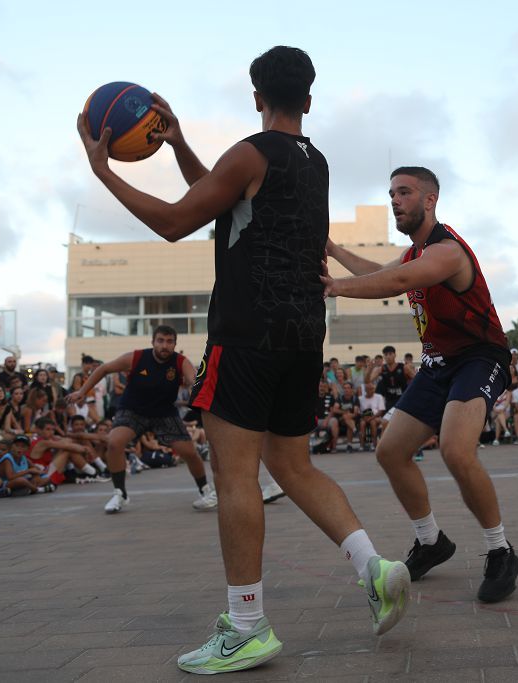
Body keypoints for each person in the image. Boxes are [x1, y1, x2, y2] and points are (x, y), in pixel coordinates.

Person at [78, 47, 410, 673]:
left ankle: (248, 625)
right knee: (292, 465)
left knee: (236, 478)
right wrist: (176, 145)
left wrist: (105, 173)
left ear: (256, 97)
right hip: (303, 337)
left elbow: (181, 220)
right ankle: (375, 567)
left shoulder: (250, 153)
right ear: (308, 101)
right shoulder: (318, 163)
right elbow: (225, 198)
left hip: (245, 334)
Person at [322, 165, 518, 603]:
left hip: (479, 356)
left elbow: (396, 281)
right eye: (391, 192)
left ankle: (500, 550)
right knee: (390, 452)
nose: (395, 199)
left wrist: (336, 288)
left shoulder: (446, 251)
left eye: (404, 192)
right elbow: (381, 270)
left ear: (429, 200)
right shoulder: (415, 254)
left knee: (454, 449)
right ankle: (431, 541)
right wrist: (333, 249)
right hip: (438, 363)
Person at [68, 326, 216, 512]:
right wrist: (82, 391)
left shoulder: (180, 362)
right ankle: (120, 494)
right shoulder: (136, 358)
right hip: (133, 410)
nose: (165, 345)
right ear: (153, 342)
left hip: (164, 413)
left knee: (189, 452)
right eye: (160, 340)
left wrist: (200, 387)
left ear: (175, 344)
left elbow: (194, 378)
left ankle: (205, 491)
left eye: (169, 342)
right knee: (114, 442)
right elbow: (104, 369)